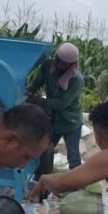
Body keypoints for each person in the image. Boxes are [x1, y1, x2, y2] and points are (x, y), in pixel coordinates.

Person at [26, 42, 85, 170]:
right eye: (59, 61)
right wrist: (25, 93)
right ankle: (42, 177)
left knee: (73, 157)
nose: (60, 66)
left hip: (71, 121)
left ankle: (77, 180)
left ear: (72, 64)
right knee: (44, 150)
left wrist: (38, 101)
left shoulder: (77, 80)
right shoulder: (48, 66)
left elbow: (62, 103)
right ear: (56, 58)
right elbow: (36, 83)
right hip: (53, 120)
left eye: (65, 64)